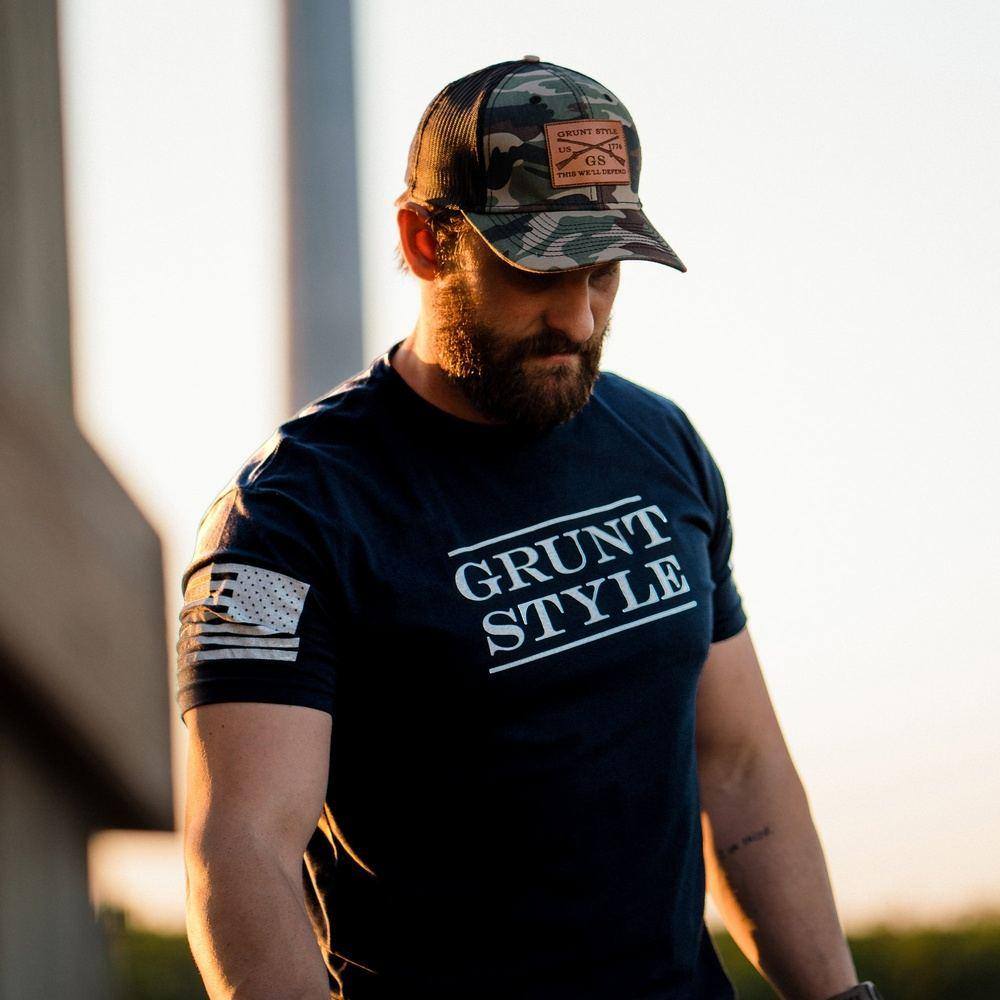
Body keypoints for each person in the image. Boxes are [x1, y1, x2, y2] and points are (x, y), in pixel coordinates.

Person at [177, 57, 883, 1000]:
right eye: (540, 273)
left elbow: (742, 767)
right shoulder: (284, 521)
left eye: (604, 275)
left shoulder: (660, 444)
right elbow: (242, 853)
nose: (580, 320)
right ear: (426, 242)